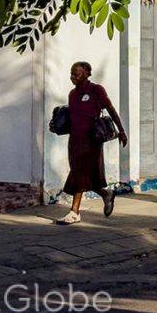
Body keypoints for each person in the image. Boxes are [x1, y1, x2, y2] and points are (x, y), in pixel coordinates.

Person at [56, 61, 128, 225]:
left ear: (87, 73)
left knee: (79, 173)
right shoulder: (72, 95)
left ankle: (74, 212)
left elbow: (110, 109)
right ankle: (105, 194)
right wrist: (58, 126)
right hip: (74, 140)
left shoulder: (96, 90)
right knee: (83, 175)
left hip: (92, 140)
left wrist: (121, 130)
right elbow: (73, 120)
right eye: (72, 74)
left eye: (77, 74)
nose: (73, 77)